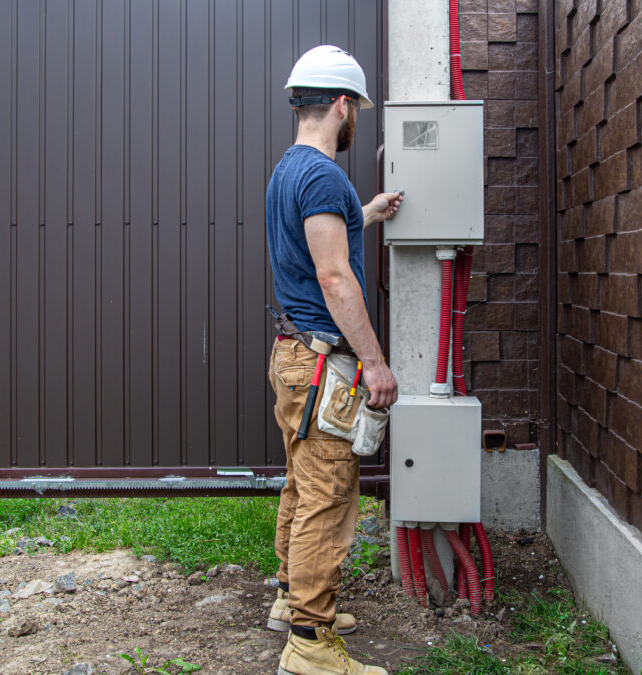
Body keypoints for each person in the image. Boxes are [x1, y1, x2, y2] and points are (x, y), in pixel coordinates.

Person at [265, 45, 403, 675]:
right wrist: (374, 363)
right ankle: (311, 643)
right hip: (323, 364)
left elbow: (316, 243)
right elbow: (333, 275)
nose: (356, 124)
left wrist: (365, 214)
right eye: (356, 112)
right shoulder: (322, 176)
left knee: (303, 482)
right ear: (342, 105)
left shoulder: (289, 172)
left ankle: (289, 598)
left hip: (293, 355)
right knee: (327, 494)